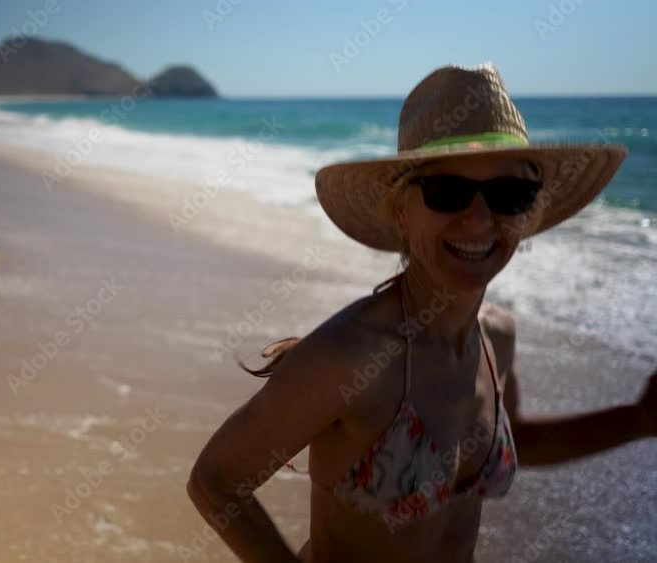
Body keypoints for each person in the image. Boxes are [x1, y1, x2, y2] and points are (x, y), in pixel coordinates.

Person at [186, 63, 656, 563]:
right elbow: (216, 480)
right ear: (401, 212)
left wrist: (638, 419)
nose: (479, 218)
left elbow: (514, 441)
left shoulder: (496, 338)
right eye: (447, 192)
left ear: (530, 212)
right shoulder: (354, 356)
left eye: (508, 195)